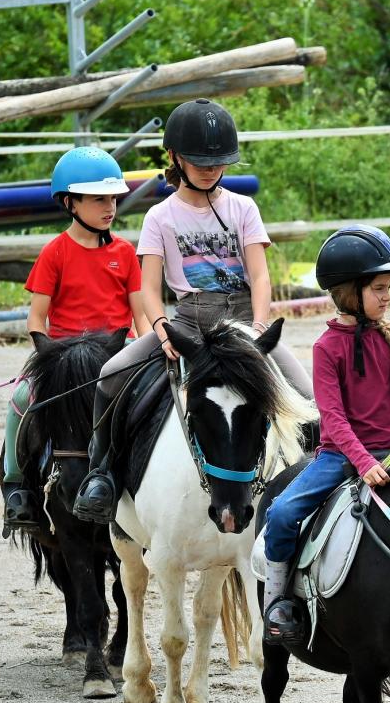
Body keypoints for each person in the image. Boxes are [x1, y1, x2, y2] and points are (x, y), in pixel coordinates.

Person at [73, 98, 311, 523]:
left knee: (308, 396)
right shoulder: (160, 216)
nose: (210, 169)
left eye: (218, 161)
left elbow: (259, 276)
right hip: (187, 322)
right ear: (175, 158)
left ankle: (316, 478)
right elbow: (148, 287)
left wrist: (257, 329)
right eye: (200, 161)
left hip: (242, 325)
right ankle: (102, 474)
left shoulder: (243, 208)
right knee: (111, 374)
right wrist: (162, 329)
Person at [261, 226, 390, 650]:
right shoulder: (326, 347)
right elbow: (332, 418)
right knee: (280, 513)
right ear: (350, 293)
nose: (388, 296)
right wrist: (364, 461)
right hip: (341, 457)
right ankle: (278, 602)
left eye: (389, 287)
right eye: (380, 288)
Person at [0, 146, 148, 534]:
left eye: (113, 198)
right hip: (65, 357)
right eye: (98, 199)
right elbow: (36, 317)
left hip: (116, 355)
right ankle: (17, 488)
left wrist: (150, 350)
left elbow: (141, 314)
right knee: (19, 400)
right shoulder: (54, 253)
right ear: (70, 202)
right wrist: (50, 358)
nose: (110, 207)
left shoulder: (125, 254)